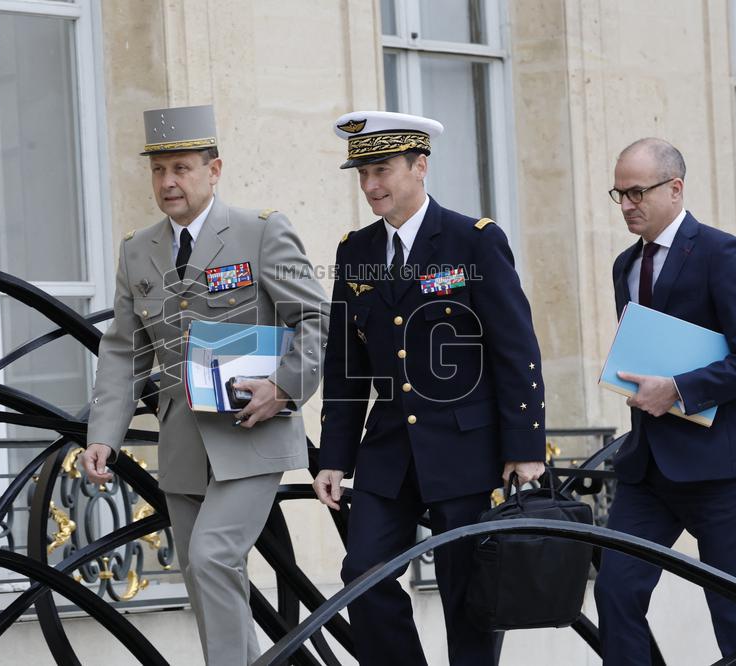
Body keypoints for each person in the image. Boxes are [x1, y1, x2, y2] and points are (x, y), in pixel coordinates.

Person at [81, 104, 327, 665]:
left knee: (214, 555)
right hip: (184, 444)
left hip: (253, 433)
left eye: (182, 168)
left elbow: (315, 321)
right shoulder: (135, 249)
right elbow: (123, 350)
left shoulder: (261, 231)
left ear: (213, 171)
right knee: (203, 573)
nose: (168, 182)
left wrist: (284, 387)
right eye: (159, 169)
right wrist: (104, 433)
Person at [312, 110, 546, 665]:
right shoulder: (356, 252)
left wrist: (525, 448)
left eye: (382, 169)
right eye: (362, 172)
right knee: (362, 574)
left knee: (468, 592)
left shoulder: (474, 241)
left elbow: (516, 349)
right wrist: (333, 457)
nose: (370, 185)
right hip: (389, 451)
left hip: (466, 448)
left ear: (421, 166)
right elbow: (346, 363)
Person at [594, 137, 736, 665]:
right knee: (615, 594)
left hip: (720, 469)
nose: (626, 204)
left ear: (675, 189)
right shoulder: (624, 266)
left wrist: (677, 389)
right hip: (647, 469)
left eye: (636, 192)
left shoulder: (722, 253)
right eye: (619, 193)